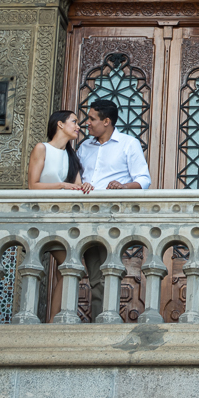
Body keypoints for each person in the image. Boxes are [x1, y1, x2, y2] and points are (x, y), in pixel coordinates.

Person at [78, 99, 151, 319]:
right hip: (84, 215)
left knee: (108, 271)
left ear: (107, 121)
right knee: (91, 273)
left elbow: (144, 180)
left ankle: (105, 324)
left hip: (112, 217)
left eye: (92, 118)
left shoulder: (128, 144)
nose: (87, 123)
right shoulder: (84, 146)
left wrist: (123, 186)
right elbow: (76, 177)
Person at [27, 110, 90, 320]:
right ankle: (51, 318)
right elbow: (33, 186)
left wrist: (85, 186)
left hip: (65, 219)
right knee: (70, 266)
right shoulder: (41, 148)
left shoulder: (72, 155)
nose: (78, 126)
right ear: (60, 125)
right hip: (44, 218)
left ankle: (54, 318)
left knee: (71, 267)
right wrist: (62, 185)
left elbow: (78, 187)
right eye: (74, 122)